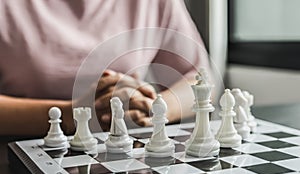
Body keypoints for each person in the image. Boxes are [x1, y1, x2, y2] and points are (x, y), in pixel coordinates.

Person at [0, 0, 210, 136]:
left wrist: (153, 108)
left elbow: (200, 78)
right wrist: (72, 114)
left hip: (124, 152)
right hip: (16, 158)